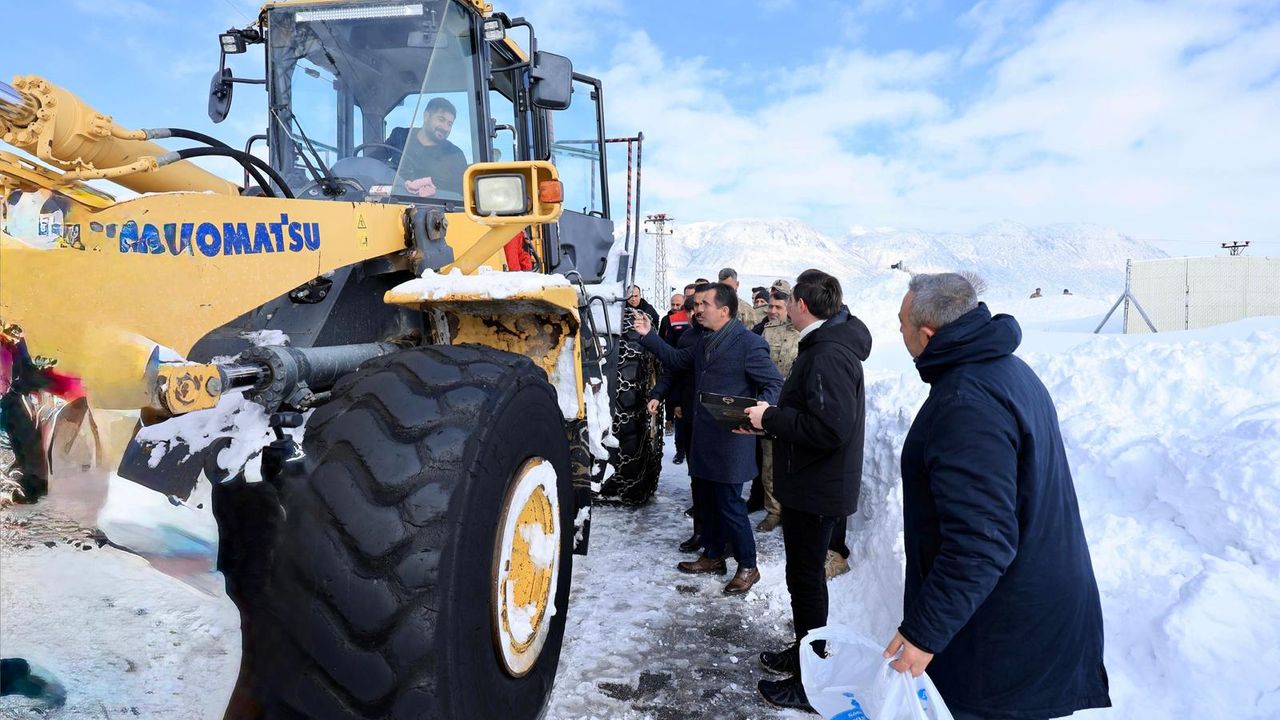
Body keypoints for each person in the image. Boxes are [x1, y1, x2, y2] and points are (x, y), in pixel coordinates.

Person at [884, 273, 1110, 720]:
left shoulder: (967, 401)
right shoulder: (1003, 368)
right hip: (1023, 605)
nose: (900, 333)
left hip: (1006, 628)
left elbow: (981, 542)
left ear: (926, 334)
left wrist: (924, 633)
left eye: (902, 324)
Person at [743, 270, 872, 713]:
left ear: (801, 303)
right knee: (804, 581)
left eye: (788, 300)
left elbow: (829, 428)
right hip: (813, 483)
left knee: (807, 582)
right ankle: (806, 651)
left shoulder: (828, 354)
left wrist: (771, 420)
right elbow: (816, 415)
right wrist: (770, 417)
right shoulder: (825, 346)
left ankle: (811, 678)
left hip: (818, 489)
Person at [633, 284, 782, 595]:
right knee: (708, 502)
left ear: (724, 310)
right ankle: (713, 555)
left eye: (704, 305)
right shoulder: (703, 341)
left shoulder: (749, 344)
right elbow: (674, 360)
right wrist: (649, 336)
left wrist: (761, 411)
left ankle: (748, 565)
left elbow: (772, 384)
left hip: (732, 440)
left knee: (730, 505)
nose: (697, 309)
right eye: (697, 305)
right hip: (704, 438)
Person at [754, 287, 798, 533]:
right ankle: (774, 511)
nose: (771, 311)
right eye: (769, 306)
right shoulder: (765, 332)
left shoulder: (802, 333)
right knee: (769, 462)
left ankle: (792, 510)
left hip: (794, 409)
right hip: (770, 407)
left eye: (777, 307)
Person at [398, 97, 469, 198]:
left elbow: (461, 196)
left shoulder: (455, 155)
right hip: (388, 204)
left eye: (449, 124)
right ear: (426, 116)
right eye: (441, 119)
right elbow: (372, 161)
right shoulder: (400, 136)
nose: (445, 128)